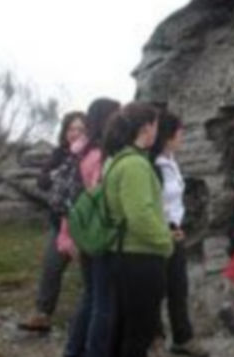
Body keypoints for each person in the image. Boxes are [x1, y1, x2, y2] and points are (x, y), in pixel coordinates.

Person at [103, 102, 174, 357]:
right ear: (146, 128)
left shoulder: (119, 160)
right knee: (139, 332)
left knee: (123, 329)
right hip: (140, 257)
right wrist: (165, 241)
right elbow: (140, 216)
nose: (158, 130)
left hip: (124, 255)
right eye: (156, 124)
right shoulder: (135, 165)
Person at [19, 111, 86, 332]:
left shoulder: (93, 154)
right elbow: (42, 181)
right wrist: (60, 170)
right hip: (60, 224)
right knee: (51, 267)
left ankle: (93, 320)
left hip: (86, 225)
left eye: (80, 129)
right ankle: (42, 314)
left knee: (91, 275)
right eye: (71, 129)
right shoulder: (60, 154)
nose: (74, 133)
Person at [64, 98, 121, 357]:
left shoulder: (81, 152)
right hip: (98, 236)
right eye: (117, 115)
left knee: (89, 297)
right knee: (102, 302)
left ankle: (73, 350)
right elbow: (102, 197)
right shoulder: (100, 155)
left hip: (82, 232)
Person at [150, 112, 209, 357]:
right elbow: (152, 204)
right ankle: (155, 340)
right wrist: (165, 229)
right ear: (167, 135)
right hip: (158, 234)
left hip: (174, 231)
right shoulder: (152, 165)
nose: (182, 136)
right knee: (155, 290)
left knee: (178, 287)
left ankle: (183, 338)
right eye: (179, 132)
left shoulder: (170, 160)